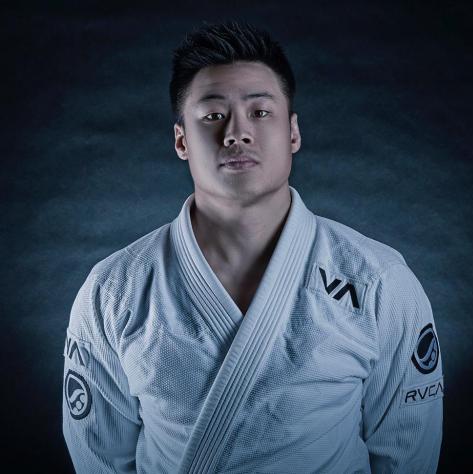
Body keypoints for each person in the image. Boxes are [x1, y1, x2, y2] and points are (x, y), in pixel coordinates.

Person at [62, 20, 444, 473]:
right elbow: (99, 458)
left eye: (260, 113)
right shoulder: (112, 290)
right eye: (212, 115)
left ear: (293, 133)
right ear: (182, 140)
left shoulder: (378, 280)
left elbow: (407, 454)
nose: (236, 133)